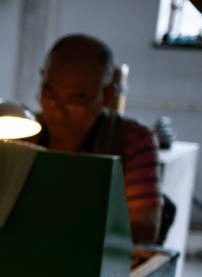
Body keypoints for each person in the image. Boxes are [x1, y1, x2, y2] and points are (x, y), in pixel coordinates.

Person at [33, 33, 162, 244]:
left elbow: (143, 231)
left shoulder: (132, 142)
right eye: (49, 94)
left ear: (108, 96)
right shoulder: (24, 133)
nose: (57, 111)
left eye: (76, 99)